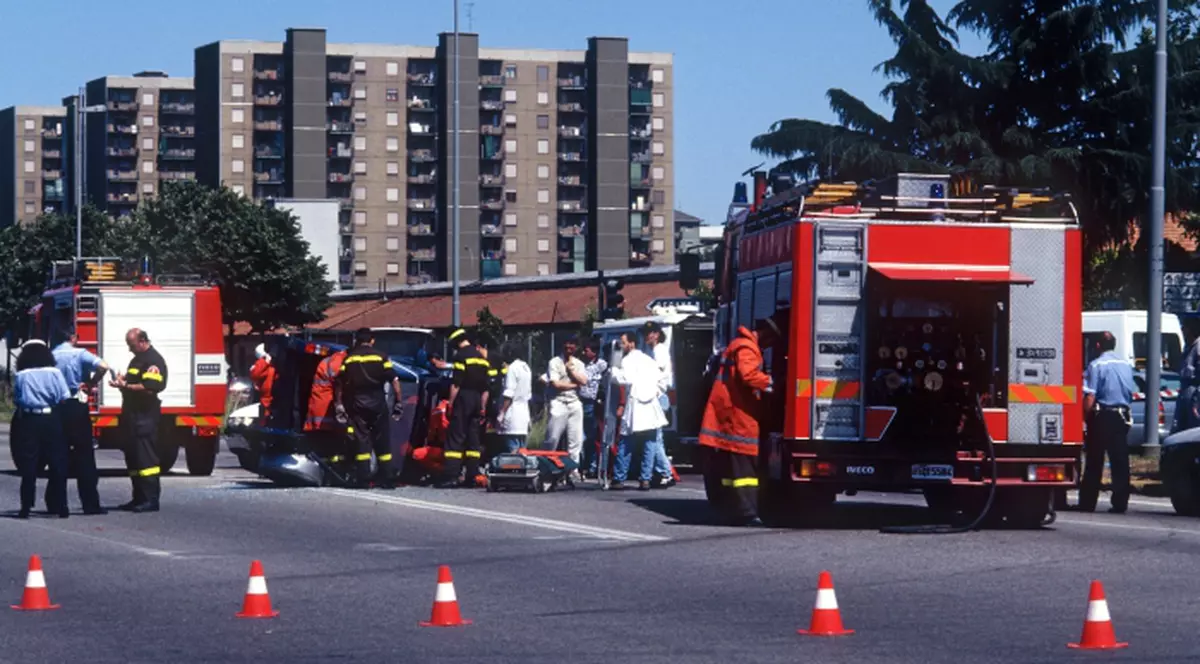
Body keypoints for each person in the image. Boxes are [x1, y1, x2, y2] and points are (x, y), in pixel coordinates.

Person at [698, 320, 776, 527]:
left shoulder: (737, 345)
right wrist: (771, 382)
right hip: (737, 417)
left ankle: (731, 508)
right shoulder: (746, 347)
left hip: (729, 415)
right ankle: (747, 512)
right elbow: (748, 375)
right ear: (765, 334)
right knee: (745, 471)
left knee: (731, 470)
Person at [334, 328, 404, 489]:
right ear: (372, 340)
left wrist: (339, 404)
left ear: (357, 340)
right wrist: (399, 402)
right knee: (382, 441)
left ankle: (363, 479)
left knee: (362, 441)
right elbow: (394, 380)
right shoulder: (381, 356)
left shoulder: (349, 359)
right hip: (378, 402)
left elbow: (339, 383)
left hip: (357, 404)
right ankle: (386, 479)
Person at [50, 327, 110, 515]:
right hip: (77, 406)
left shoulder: (51, 356)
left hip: (57, 407)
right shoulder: (80, 354)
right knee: (84, 455)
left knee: (59, 456)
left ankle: (57, 504)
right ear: (73, 337)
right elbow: (103, 366)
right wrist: (92, 383)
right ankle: (90, 504)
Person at [1078, 331, 1137, 514]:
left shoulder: (1096, 365)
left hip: (1103, 416)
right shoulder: (1126, 365)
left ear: (1097, 346)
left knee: (1095, 460)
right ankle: (1120, 502)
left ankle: (1087, 503)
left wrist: (1083, 418)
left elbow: (1090, 395)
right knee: (1120, 461)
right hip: (1121, 416)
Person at [109, 328, 167, 513]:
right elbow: (133, 383)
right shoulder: (137, 359)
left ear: (142, 341)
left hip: (145, 416)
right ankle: (138, 498)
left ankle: (151, 499)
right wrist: (121, 383)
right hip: (132, 416)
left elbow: (150, 388)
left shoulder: (153, 361)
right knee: (133, 459)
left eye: (132, 345)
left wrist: (126, 385)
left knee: (146, 460)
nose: (130, 349)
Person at [12, 340, 71, 519]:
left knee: (29, 463)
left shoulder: (22, 375)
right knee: (57, 462)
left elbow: (17, 399)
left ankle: (26, 506)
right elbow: (64, 397)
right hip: (50, 418)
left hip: (29, 419)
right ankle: (62, 505)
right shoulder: (55, 373)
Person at [609, 331, 669, 491]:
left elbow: (624, 378)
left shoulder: (628, 360)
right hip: (649, 404)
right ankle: (645, 479)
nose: (621, 346)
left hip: (636, 405)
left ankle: (620, 478)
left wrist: (613, 371)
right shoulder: (648, 359)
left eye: (623, 342)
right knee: (649, 444)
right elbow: (663, 380)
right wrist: (656, 391)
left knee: (626, 443)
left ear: (632, 343)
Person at [438, 328, 491, 488]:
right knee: (473, 439)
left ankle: (451, 476)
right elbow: (486, 389)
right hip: (477, 400)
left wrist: (450, 403)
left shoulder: (460, 356)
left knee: (456, 437)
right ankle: (472, 475)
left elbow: (456, 383)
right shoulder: (482, 359)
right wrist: (482, 408)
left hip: (463, 398)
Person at [542, 337, 588, 474]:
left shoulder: (579, 364)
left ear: (576, 347)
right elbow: (556, 384)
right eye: (567, 343)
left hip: (574, 402)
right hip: (558, 401)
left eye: (572, 344)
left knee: (576, 440)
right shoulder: (554, 362)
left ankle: (573, 470)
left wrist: (571, 372)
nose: (569, 346)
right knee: (553, 437)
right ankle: (546, 466)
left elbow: (584, 381)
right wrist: (574, 384)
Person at [642, 322, 677, 487]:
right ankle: (661, 471)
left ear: (657, 334)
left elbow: (656, 372)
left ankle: (665, 472)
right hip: (655, 395)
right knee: (657, 438)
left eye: (650, 333)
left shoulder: (659, 350)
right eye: (646, 333)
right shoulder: (651, 350)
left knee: (654, 438)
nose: (647, 336)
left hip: (658, 395)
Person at [578, 337, 608, 477]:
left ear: (594, 352)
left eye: (587, 350)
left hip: (593, 403)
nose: (584, 352)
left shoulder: (601, 365)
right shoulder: (581, 364)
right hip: (580, 402)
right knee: (581, 437)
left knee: (593, 436)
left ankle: (593, 466)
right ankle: (582, 464)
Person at [496, 341, 532, 452]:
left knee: (513, 449)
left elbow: (509, 393)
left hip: (513, 413)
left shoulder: (512, 368)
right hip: (524, 413)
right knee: (522, 449)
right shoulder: (526, 367)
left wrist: (501, 413)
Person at [249, 343, 277, 419]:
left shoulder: (271, 365)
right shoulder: (262, 364)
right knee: (264, 418)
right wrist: (265, 362)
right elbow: (255, 375)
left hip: (273, 397)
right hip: (265, 399)